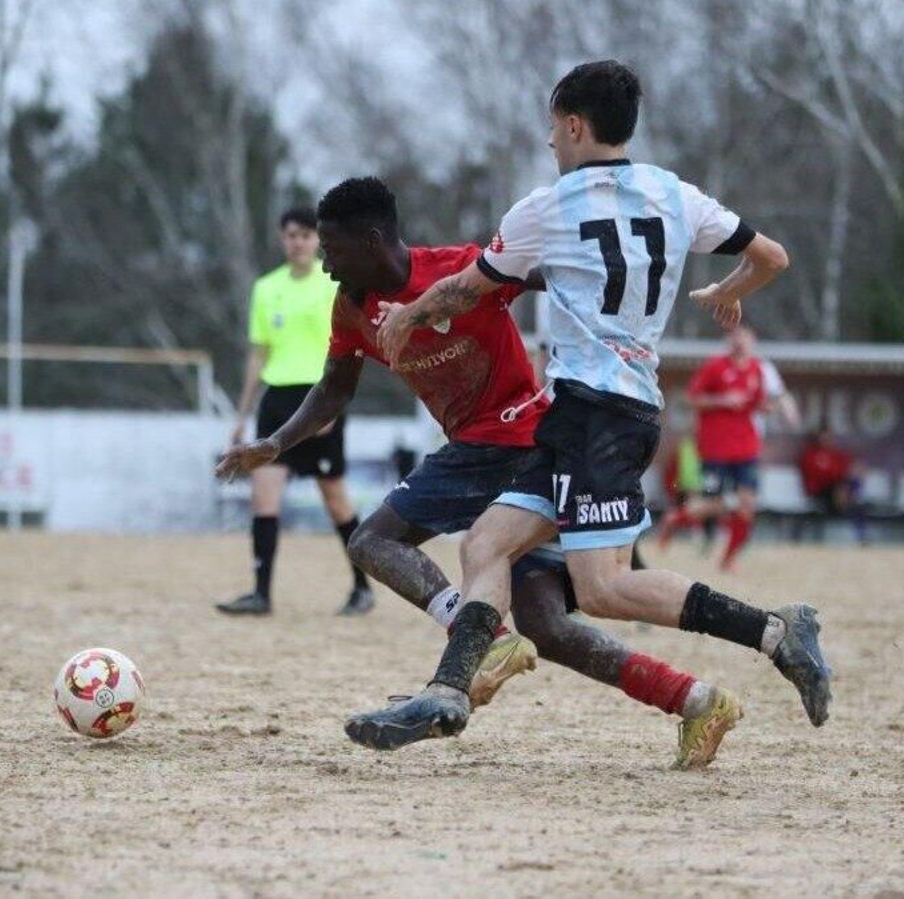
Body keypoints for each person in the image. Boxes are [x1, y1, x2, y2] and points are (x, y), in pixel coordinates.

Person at [351, 60, 832, 753]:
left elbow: (467, 289)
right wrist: (728, 290)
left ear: (575, 125)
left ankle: (775, 631)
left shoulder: (547, 207)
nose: (550, 141)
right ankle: (448, 690)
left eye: (553, 127)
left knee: (603, 587)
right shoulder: (675, 194)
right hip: (588, 414)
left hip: (603, 416)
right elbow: (774, 257)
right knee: (485, 543)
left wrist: (407, 315)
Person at [217, 177, 740, 768]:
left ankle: (484, 641)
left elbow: (554, 274)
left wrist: (618, 315)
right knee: (548, 626)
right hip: (489, 452)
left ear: (372, 240)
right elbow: (335, 387)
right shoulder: (351, 306)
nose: (326, 265)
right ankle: (697, 700)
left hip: (515, 441)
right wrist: (275, 442)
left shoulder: (461, 270)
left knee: (372, 540)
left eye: (333, 251)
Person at [221, 206, 374, 617]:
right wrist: (242, 415)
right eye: (291, 235)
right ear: (282, 239)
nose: (298, 242)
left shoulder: (335, 284)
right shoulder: (266, 287)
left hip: (321, 396)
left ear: (317, 240)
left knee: (335, 500)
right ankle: (260, 594)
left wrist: (334, 406)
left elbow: (353, 348)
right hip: (276, 400)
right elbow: (258, 354)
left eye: (305, 235)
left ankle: (362, 587)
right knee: (263, 496)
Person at [686, 326, 798, 570]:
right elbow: (693, 398)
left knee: (747, 503)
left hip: (746, 447)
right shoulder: (715, 366)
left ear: (753, 341)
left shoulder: (759, 368)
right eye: (736, 338)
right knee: (714, 501)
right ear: (729, 341)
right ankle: (683, 522)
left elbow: (767, 399)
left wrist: (778, 410)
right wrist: (722, 400)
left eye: (745, 338)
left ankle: (729, 557)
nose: (740, 343)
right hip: (715, 449)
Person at [797, 428, 867, 543]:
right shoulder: (811, 455)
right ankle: (845, 503)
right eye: (824, 438)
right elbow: (814, 478)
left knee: (852, 492)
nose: (827, 440)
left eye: (829, 438)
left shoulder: (837, 455)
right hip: (820, 492)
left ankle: (861, 537)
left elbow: (848, 470)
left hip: (840, 490)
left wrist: (855, 471)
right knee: (840, 491)